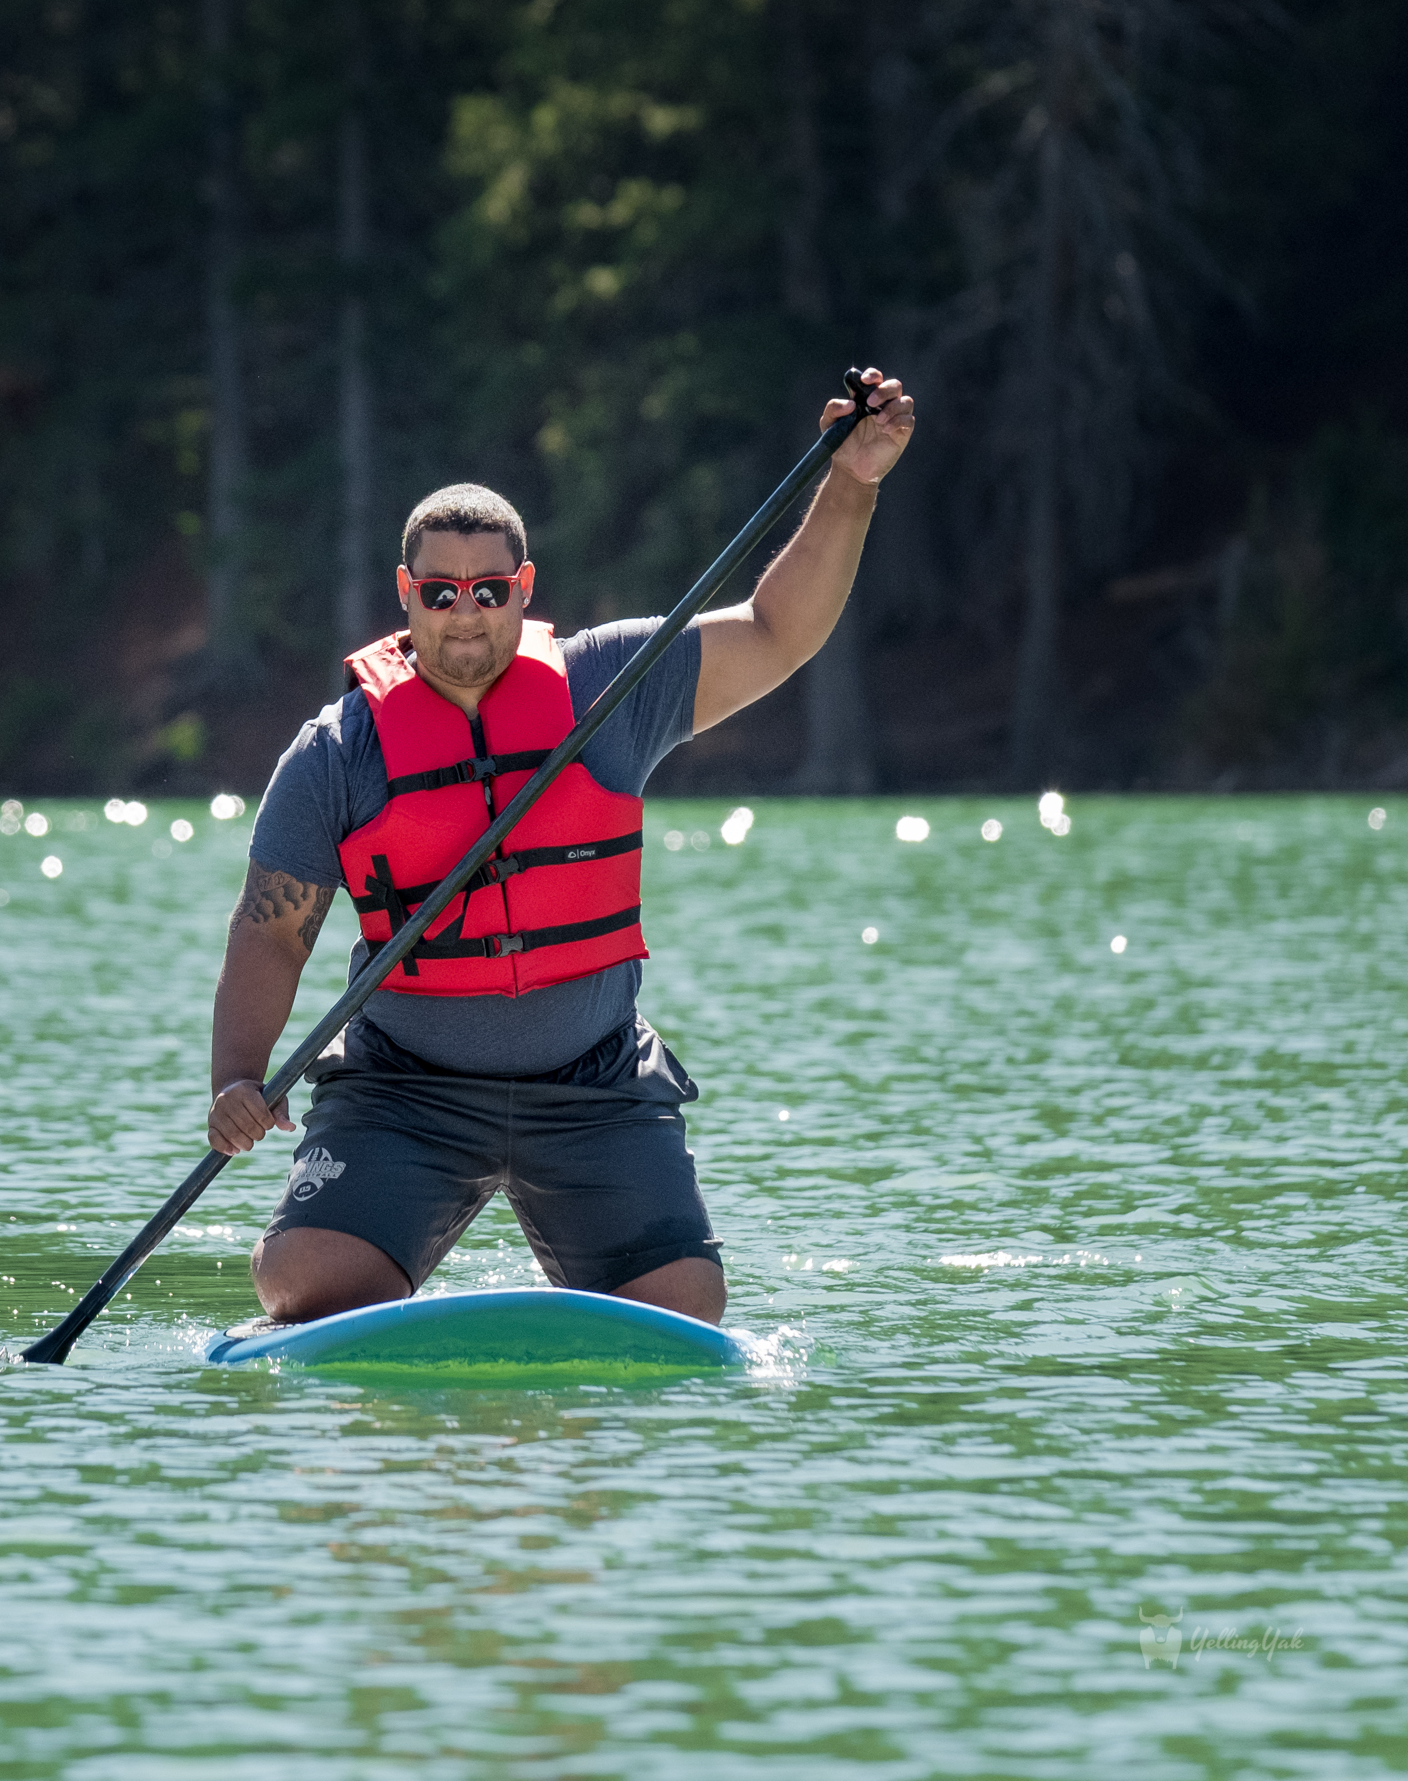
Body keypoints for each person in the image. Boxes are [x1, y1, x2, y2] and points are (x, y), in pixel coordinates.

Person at [207, 369, 916, 1326]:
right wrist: (238, 1078)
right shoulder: (339, 752)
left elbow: (778, 630)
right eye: (444, 591)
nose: (468, 611)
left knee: (684, 1307)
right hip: (405, 1088)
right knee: (304, 1286)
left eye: (490, 589)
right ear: (407, 595)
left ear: (523, 589)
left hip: (593, 1083)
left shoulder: (611, 687)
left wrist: (854, 482)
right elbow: (272, 931)